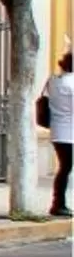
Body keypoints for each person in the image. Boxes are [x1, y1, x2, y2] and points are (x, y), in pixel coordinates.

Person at [44, 50, 74, 220]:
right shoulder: (72, 83)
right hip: (70, 132)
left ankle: (58, 202)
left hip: (57, 130)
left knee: (64, 168)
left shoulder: (53, 80)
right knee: (65, 169)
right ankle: (58, 203)